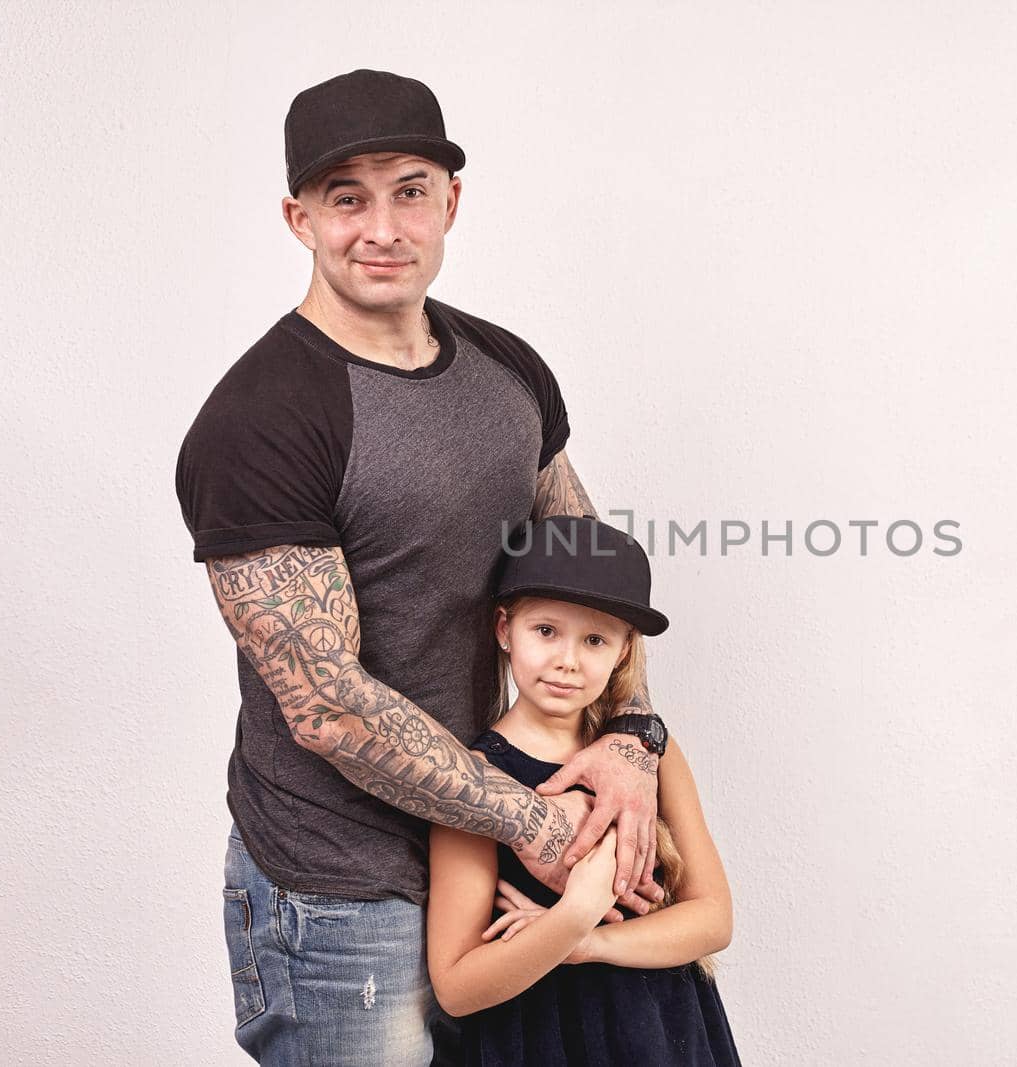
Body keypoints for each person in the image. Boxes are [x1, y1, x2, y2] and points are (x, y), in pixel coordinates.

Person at [175, 69, 670, 1065]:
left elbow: (589, 580)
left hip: (493, 869)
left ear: (452, 200)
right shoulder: (263, 420)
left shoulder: (508, 370)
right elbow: (328, 704)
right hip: (341, 896)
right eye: (346, 197)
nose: (382, 227)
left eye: (409, 189)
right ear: (298, 217)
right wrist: (537, 820)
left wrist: (629, 738)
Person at [427, 515, 740, 1066]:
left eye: (594, 639)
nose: (567, 661)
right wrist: (572, 914)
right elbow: (455, 984)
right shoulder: (473, 781)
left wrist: (587, 942)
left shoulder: (649, 757)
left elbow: (713, 919)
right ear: (504, 630)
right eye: (545, 631)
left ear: (623, 650)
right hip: (542, 1036)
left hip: (661, 1030)